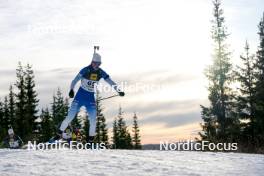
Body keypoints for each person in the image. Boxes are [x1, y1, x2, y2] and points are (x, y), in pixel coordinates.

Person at [54, 51, 125, 142]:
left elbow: (110, 82)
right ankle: (58, 134)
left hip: (90, 98)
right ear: (92, 62)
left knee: (93, 120)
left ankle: (90, 140)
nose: (97, 65)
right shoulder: (85, 70)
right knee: (70, 117)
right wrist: (71, 90)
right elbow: (75, 80)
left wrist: (118, 90)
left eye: (99, 64)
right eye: (95, 63)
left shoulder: (100, 72)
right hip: (79, 97)